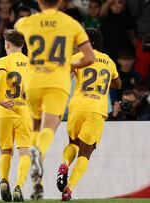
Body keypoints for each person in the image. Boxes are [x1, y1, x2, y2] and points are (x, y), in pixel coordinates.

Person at [15, 0, 95, 198]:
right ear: (60, 2)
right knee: (50, 125)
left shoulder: (27, 21)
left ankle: (34, 156)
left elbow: (16, 28)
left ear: (40, 2)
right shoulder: (72, 24)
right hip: (57, 81)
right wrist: (69, 63)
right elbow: (89, 58)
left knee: (35, 125)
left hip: (33, 81)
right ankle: (38, 153)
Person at [56, 28, 121, 201]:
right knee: (85, 154)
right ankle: (69, 189)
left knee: (72, 143)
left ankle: (64, 164)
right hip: (96, 110)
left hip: (77, 107)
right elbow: (118, 84)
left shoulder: (77, 57)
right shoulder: (109, 61)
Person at [0, 29, 32, 202]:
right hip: (24, 110)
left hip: (4, 111)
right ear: (23, 45)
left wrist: (1, 98)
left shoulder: (2, 60)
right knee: (24, 152)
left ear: (7, 44)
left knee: (5, 151)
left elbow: (1, 78)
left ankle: (4, 180)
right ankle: (18, 186)